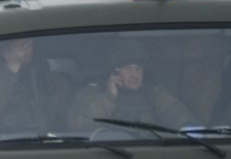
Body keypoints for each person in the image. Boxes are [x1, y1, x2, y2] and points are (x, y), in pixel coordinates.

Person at [67, 39, 196, 131]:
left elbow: (184, 123)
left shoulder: (157, 95)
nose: (134, 75)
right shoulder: (91, 94)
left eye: (138, 68)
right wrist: (108, 98)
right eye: (128, 68)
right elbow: (77, 125)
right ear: (115, 71)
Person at [0, 38, 73, 139]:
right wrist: (12, 66)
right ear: (7, 49)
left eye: (29, 45)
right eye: (23, 45)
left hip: (45, 144)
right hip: (7, 143)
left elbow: (66, 115)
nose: (26, 50)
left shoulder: (46, 78)